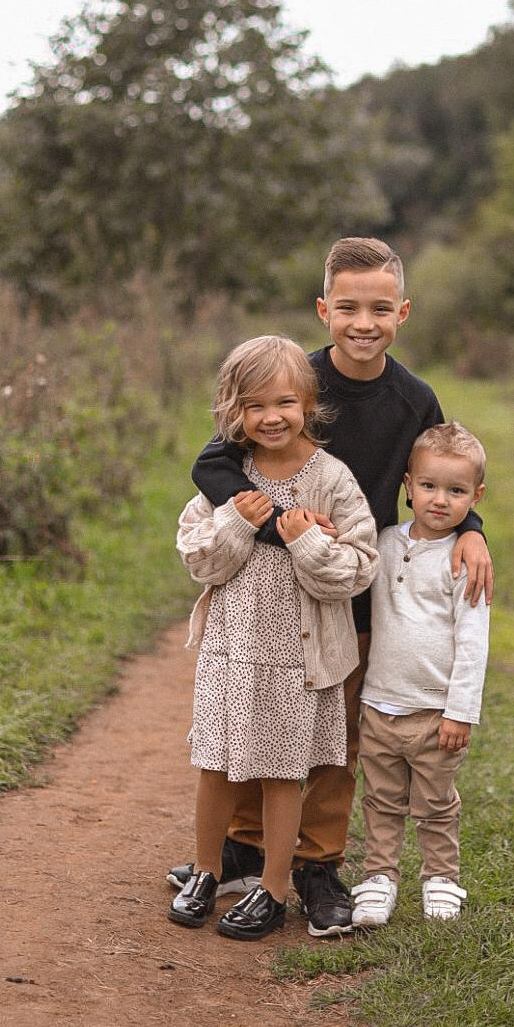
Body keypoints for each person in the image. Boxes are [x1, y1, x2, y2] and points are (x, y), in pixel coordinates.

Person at [167, 236, 494, 936]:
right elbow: (213, 465)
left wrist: (475, 529)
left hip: (356, 585)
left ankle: (316, 864)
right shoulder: (293, 382)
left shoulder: (414, 399)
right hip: (270, 584)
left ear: (401, 312)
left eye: (380, 308)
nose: (364, 323)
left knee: (336, 737)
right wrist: (278, 523)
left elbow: (438, 474)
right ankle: (244, 851)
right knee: (257, 728)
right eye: (348, 307)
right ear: (325, 310)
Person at [168, 335, 377, 941]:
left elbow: (358, 567)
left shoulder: (333, 480)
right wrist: (237, 518)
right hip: (231, 654)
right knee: (215, 765)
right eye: (254, 405)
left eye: (284, 402)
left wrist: (305, 540)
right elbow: (201, 561)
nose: (271, 417)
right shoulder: (230, 479)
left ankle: (274, 887)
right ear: (234, 412)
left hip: (298, 664)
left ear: (308, 403)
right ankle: (207, 871)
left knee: (284, 772)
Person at [350, 422, 490, 927]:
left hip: (435, 713)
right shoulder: (385, 542)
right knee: (382, 800)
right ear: (408, 484)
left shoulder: (465, 560)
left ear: (476, 497)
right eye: (428, 486)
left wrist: (460, 712)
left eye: (455, 492)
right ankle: (378, 879)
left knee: (434, 804)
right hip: (380, 702)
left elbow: (474, 644)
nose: (439, 500)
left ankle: (441, 879)